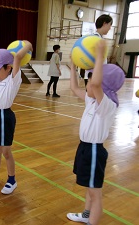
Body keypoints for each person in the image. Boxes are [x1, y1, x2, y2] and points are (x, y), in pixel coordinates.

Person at [67, 40, 125, 225]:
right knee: (89, 187)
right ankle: (86, 215)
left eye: (89, 81)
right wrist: (73, 67)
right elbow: (74, 88)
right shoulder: (91, 100)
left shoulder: (106, 105)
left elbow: (98, 84)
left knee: (95, 191)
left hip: (94, 151)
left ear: (102, 88)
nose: (87, 85)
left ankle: (92, 222)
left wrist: (100, 55)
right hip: (84, 148)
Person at [0, 40, 33, 195]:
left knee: (6, 152)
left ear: (8, 68)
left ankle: (12, 180)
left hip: (5, 117)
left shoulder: (13, 80)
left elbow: (17, 57)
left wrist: (28, 45)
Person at [84, 14, 113, 87]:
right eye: (110, 25)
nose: (110, 28)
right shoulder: (95, 39)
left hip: (96, 75)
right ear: (104, 23)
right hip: (93, 76)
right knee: (93, 98)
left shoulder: (98, 38)